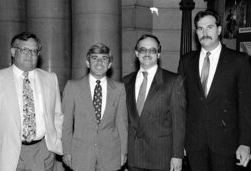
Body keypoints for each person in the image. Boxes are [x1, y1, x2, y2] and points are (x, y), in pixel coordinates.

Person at [178, 10, 251, 171]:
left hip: (227, 143)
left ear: (219, 30)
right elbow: (180, 105)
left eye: (209, 27)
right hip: (194, 143)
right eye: (200, 29)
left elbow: (246, 106)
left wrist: (245, 143)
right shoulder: (186, 61)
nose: (204, 32)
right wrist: (179, 143)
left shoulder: (239, 61)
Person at [0, 32, 63, 171]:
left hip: (44, 151)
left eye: (34, 51)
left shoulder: (50, 79)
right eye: (24, 50)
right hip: (9, 152)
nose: (30, 55)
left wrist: (55, 141)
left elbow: (57, 115)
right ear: (13, 52)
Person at [123, 34, 186, 171]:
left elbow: (179, 122)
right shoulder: (125, 82)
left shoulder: (173, 81)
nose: (147, 53)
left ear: (158, 54)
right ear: (136, 53)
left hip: (161, 158)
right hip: (133, 157)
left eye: (152, 50)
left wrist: (177, 155)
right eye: (142, 50)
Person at [62, 43, 128, 171]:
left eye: (104, 59)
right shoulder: (73, 87)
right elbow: (66, 124)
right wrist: (66, 151)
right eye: (94, 58)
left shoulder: (119, 89)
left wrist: (123, 151)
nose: (99, 62)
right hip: (81, 154)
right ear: (87, 63)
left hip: (110, 154)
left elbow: (122, 123)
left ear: (109, 65)